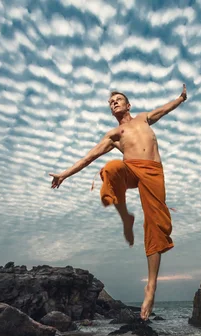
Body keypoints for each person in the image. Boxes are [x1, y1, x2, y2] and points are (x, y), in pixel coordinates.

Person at [49, 84, 187, 320]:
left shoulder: (143, 119)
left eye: (118, 99)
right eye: (111, 102)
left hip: (153, 173)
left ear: (128, 105)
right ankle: (123, 212)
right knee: (111, 167)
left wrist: (181, 98)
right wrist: (64, 174)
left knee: (156, 227)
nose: (114, 103)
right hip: (130, 171)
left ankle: (151, 287)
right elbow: (88, 157)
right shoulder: (113, 135)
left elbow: (164, 109)